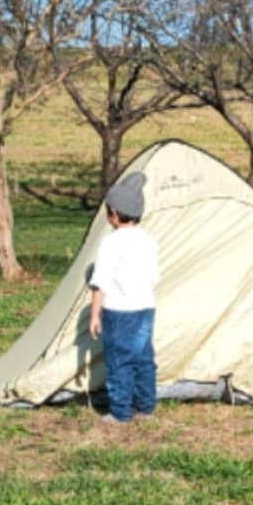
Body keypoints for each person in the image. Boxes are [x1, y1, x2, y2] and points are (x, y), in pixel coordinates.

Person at [87, 171, 160, 423]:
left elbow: (100, 281)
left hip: (119, 312)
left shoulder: (111, 242)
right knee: (143, 360)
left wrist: (95, 315)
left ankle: (120, 413)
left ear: (114, 214)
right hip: (146, 309)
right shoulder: (149, 241)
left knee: (120, 362)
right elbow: (154, 277)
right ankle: (146, 407)